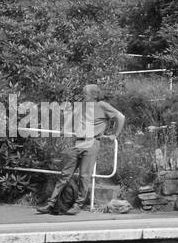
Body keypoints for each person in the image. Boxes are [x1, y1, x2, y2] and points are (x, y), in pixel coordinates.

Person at [38, 84, 125, 215]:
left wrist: (115, 134)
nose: (82, 95)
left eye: (85, 93)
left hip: (92, 143)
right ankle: (51, 203)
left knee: (84, 176)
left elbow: (121, 117)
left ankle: (78, 205)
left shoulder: (102, 105)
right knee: (65, 174)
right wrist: (64, 129)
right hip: (78, 142)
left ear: (93, 95)